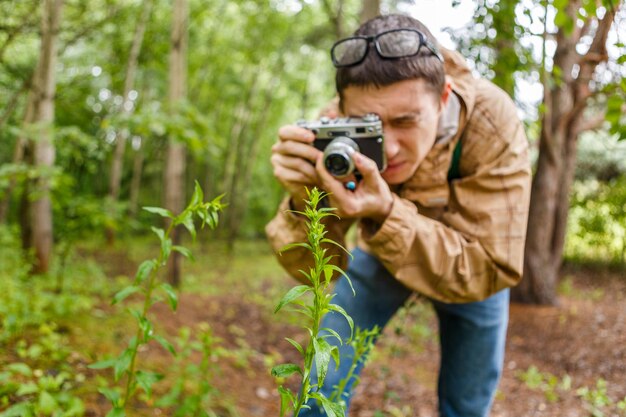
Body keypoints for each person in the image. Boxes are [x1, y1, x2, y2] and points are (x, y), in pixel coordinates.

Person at [266, 13, 531, 417]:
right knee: (322, 385)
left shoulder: (491, 121)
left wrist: (386, 210)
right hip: (381, 252)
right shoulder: (332, 129)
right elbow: (315, 272)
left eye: (406, 122)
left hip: (475, 263)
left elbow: (493, 265)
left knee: (467, 402)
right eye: (370, 126)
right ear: (341, 111)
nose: (388, 149)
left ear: (443, 98)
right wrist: (305, 200)